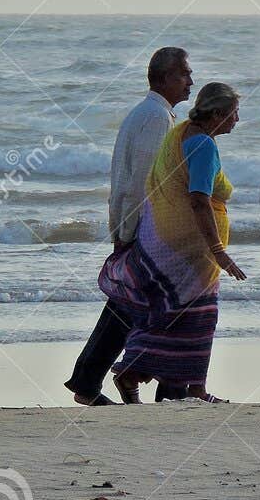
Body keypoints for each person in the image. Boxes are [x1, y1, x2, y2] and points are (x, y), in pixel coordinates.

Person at [64, 46, 193, 406]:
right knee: (149, 305)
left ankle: (96, 381)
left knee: (130, 304)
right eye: (185, 74)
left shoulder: (150, 113)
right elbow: (143, 182)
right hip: (143, 228)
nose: (190, 82)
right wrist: (136, 234)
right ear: (165, 78)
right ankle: (162, 386)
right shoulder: (155, 118)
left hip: (136, 225)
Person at [103, 82, 246, 403]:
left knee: (171, 316)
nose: (238, 119)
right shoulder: (203, 146)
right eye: (235, 113)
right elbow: (198, 200)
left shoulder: (181, 132)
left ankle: (138, 376)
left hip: (166, 246)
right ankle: (183, 386)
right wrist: (219, 252)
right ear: (218, 114)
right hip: (187, 254)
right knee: (198, 318)